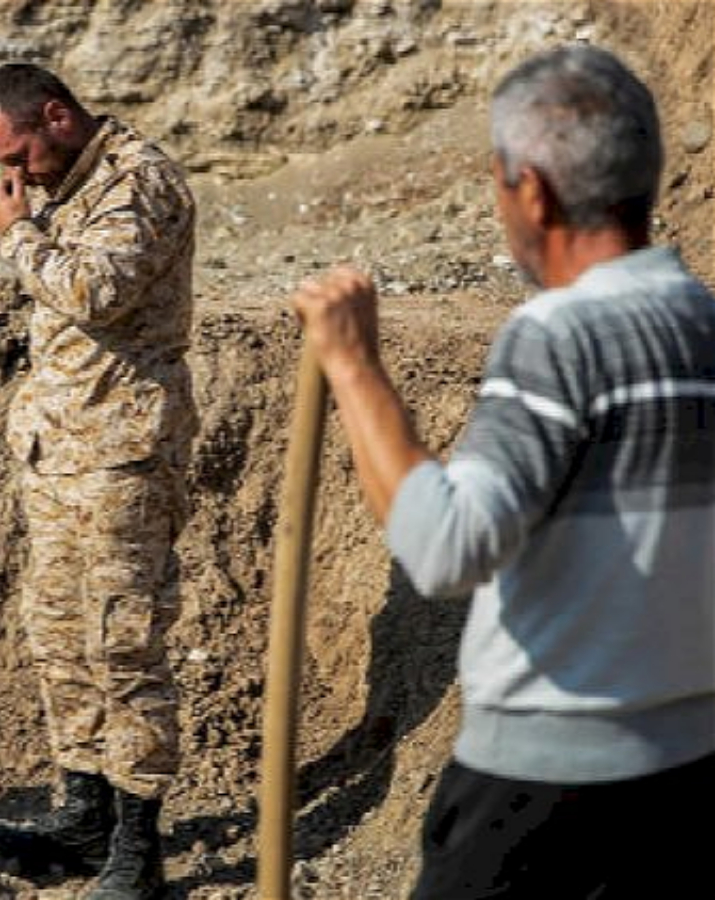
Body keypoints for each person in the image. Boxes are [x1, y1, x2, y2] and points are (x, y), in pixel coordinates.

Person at [291, 44, 715, 898]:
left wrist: (353, 366)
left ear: (533, 190)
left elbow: (448, 549)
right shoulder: (703, 323)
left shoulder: (558, 336)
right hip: (689, 771)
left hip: (542, 793)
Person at [0, 62, 198, 900]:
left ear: (57, 116)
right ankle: (85, 814)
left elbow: (97, 291)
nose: (18, 173)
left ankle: (139, 845)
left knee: (123, 642)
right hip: (58, 449)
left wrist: (17, 233)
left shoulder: (140, 180)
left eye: (22, 151)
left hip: (121, 453)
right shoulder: (69, 185)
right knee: (60, 635)